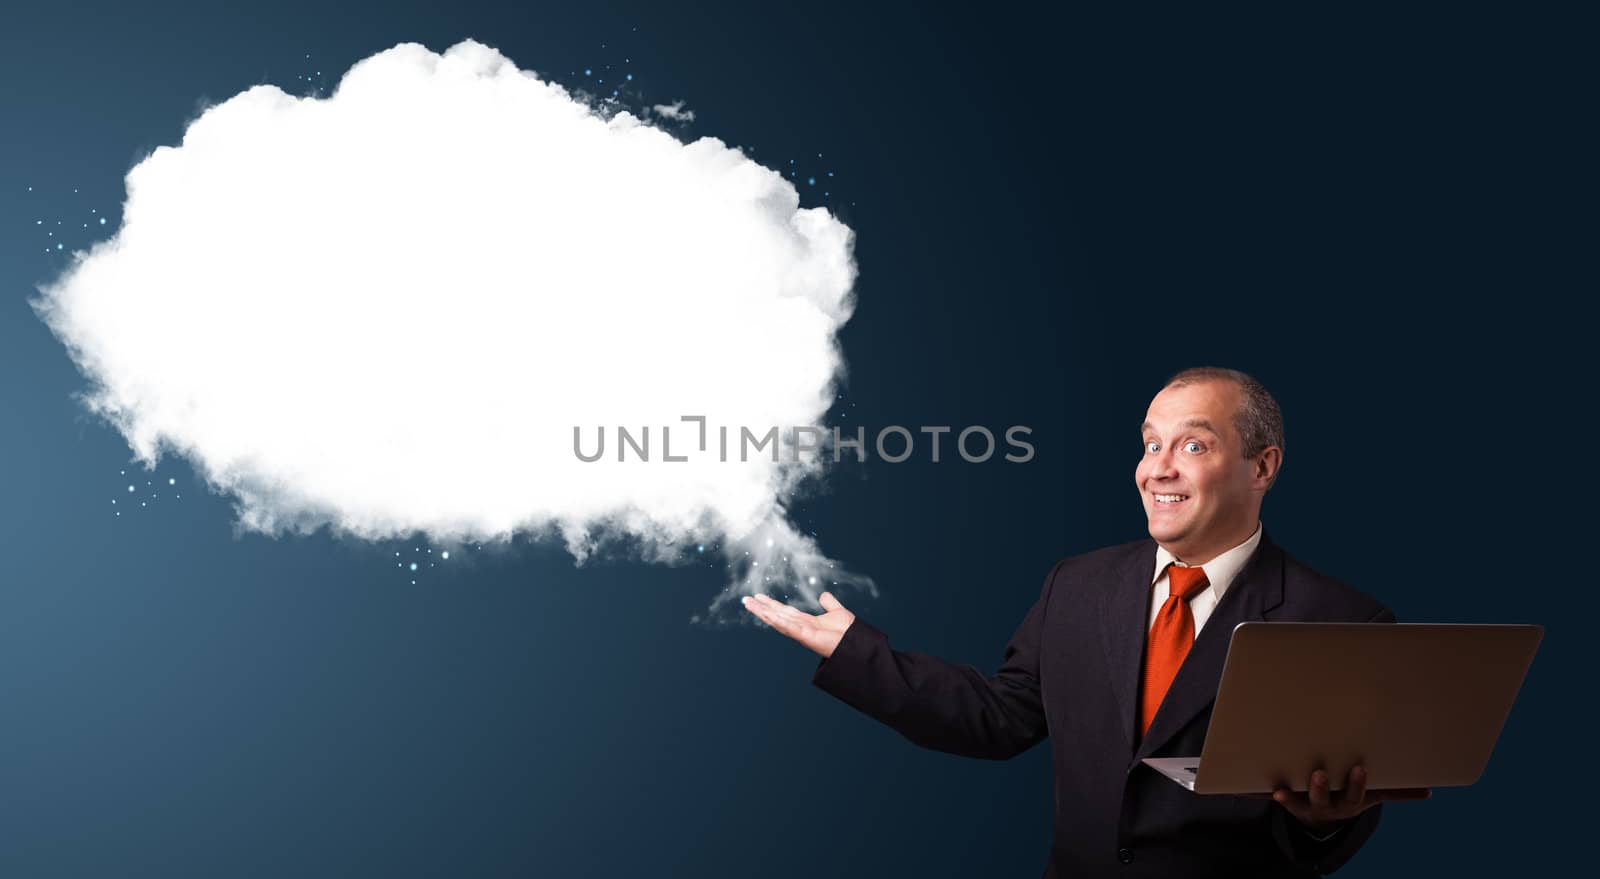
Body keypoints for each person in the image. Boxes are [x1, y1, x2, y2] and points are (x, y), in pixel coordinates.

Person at [742, 367, 1429, 877]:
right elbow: (999, 716)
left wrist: (1319, 824)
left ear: (1262, 467)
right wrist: (858, 654)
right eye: (1150, 443)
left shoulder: (1339, 619)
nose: (1158, 468)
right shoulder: (1077, 585)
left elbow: (1339, 817)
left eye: (1192, 446)